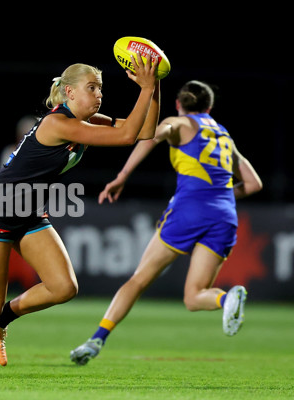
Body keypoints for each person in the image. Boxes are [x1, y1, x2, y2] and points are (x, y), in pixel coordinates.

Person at [0, 53, 161, 378]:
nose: (99, 95)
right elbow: (127, 136)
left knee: (63, 287)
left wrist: (155, 84)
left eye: (101, 89)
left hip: (27, 210)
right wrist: (145, 90)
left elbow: (145, 132)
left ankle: (0, 321)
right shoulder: (58, 123)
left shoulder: (84, 123)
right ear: (70, 92)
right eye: (92, 88)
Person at [70, 80, 263, 366]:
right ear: (209, 107)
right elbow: (254, 183)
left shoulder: (181, 123)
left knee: (138, 280)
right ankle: (227, 299)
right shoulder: (224, 135)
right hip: (225, 216)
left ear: (179, 105)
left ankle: (96, 340)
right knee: (194, 297)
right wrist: (219, 193)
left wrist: (123, 175)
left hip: (189, 211)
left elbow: (151, 136)